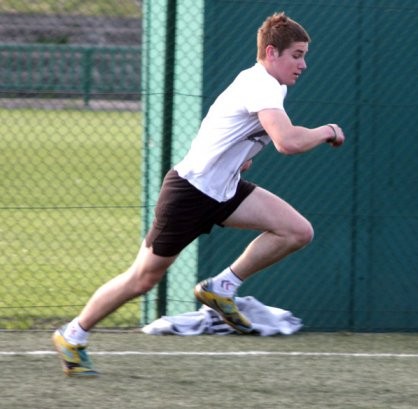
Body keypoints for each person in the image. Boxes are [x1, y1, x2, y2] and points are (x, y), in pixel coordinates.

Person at [52, 11, 345, 377]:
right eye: (297, 55)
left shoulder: (272, 86)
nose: (303, 64)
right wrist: (327, 130)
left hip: (223, 191)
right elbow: (287, 141)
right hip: (190, 194)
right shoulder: (261, 85)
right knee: (143, 278)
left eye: (304, 56)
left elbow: (235, 132)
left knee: (296, 231)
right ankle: (72, 335)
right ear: (272, 52)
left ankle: (222, 287)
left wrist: (239, 158)